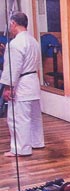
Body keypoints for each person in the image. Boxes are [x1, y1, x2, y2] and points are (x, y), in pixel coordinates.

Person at [0, 11, 44, 157]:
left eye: (10, 25)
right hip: (32, 81)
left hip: (21, 83)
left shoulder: (16, 43)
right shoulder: (33, 40)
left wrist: (8, 87)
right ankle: (36, 142)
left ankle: (21, 148)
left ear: (13, 23)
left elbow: (14, 67)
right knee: (34, 116)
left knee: (18, 117)